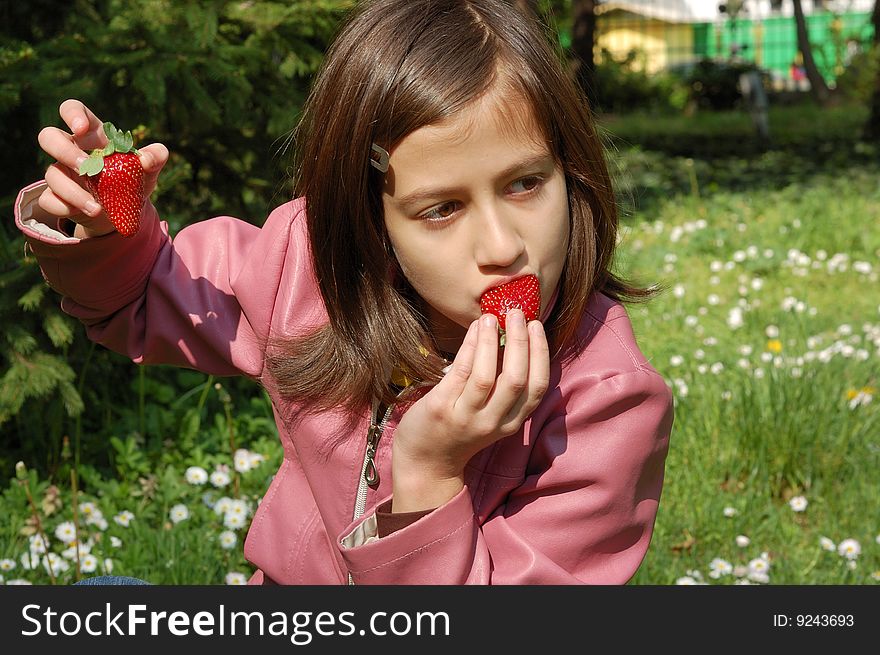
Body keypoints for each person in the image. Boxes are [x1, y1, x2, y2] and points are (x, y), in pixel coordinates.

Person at [15, 0, 673, 584]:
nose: (502, 245)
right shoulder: (304, 273)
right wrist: (101, 229)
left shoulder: (602, 404)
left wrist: (428, 477)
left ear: (570, 168)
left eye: (525, 183)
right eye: (442, 208)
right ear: (368, 219)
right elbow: (140, 299)